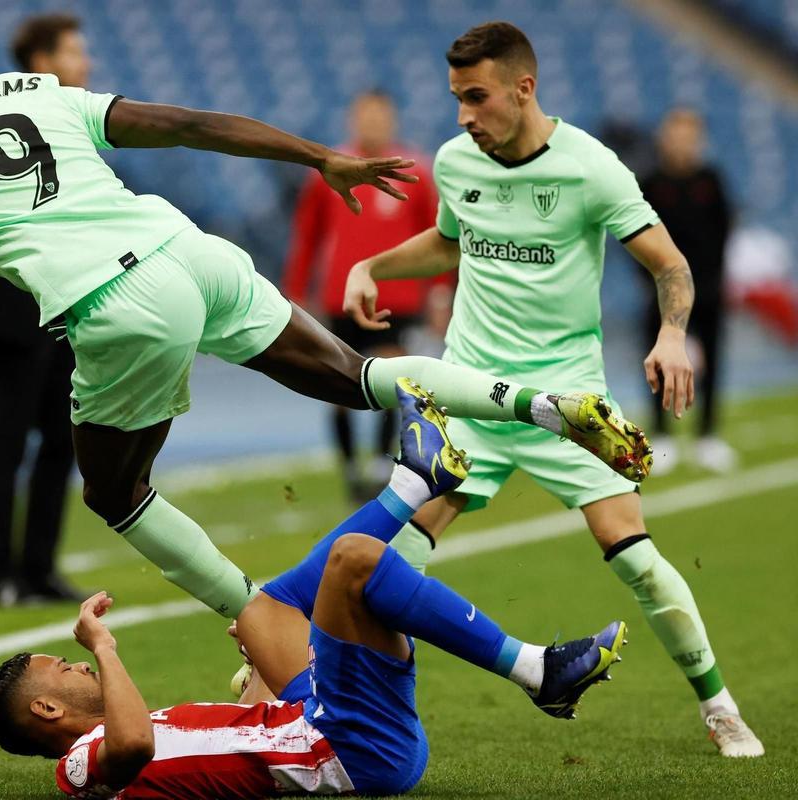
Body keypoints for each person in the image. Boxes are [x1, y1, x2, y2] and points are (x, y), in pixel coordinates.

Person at [0, 18, 649, 636]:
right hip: (185, 247)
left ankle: (252, 614)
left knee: (116, 487)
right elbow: (187, 123)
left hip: (114, 301)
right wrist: (315, 157)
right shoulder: (42, 91)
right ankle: (532, 398)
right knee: (356, 374)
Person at [343, 22, 761, 757]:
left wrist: (670, 336)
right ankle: (354, 712)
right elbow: (451, 239)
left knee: (633, 557)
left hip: (569, 407)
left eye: (477, 98)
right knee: (387, 563)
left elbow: (672, 266)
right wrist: (373, 266)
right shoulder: (454, 159)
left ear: (523, 88)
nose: (465, 116)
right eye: (456, 100)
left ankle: (720, 705)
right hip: (470, 393)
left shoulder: (592, 169)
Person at [0, 381, 628, 798]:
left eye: (71, 658)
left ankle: (416, 479)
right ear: (47, 713)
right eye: (60, 668)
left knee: (264, 611)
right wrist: (104, 648)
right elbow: (133, 748)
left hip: (325, 726)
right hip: (352, 749)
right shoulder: (84, 767)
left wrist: (259, 662)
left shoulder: (141, 730)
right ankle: (534, 667)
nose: (75, 665)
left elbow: (252, 737)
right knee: (353, 560)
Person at [0, 14, 92, 606]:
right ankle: (0, 578)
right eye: (74, 52)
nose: (85, 63)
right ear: (42, 62)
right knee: (10, 443)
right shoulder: (5, 122)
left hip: (62, 306)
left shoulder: (73, 117)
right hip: (13, 306)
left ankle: (39, 568)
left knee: (61, 443)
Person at [282, 90, 445, 501]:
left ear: (393, 120)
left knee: (391, 379)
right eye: (365, 116)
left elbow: (439, 236)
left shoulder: (415, 172)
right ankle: (350, 466)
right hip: (340, 298)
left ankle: (377, 460)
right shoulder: (330, 171)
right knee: (337, 384)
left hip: (397, 297)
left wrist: (441, 290)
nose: (372, 124)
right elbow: (308, 236)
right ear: (352, 120)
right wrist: (297, 292)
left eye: (380, 116)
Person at [640, 108, 735, 474]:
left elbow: (723, 232)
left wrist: (708, 281)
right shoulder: (651, 182)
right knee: (656, 363)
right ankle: (662, 435)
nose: (682, 142)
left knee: (713, 361)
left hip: (707, 290)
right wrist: (652, 281)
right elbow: (637, 236)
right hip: (660, 293)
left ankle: (707, 435)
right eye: (676, 134)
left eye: (689, 135)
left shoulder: (711, 180)